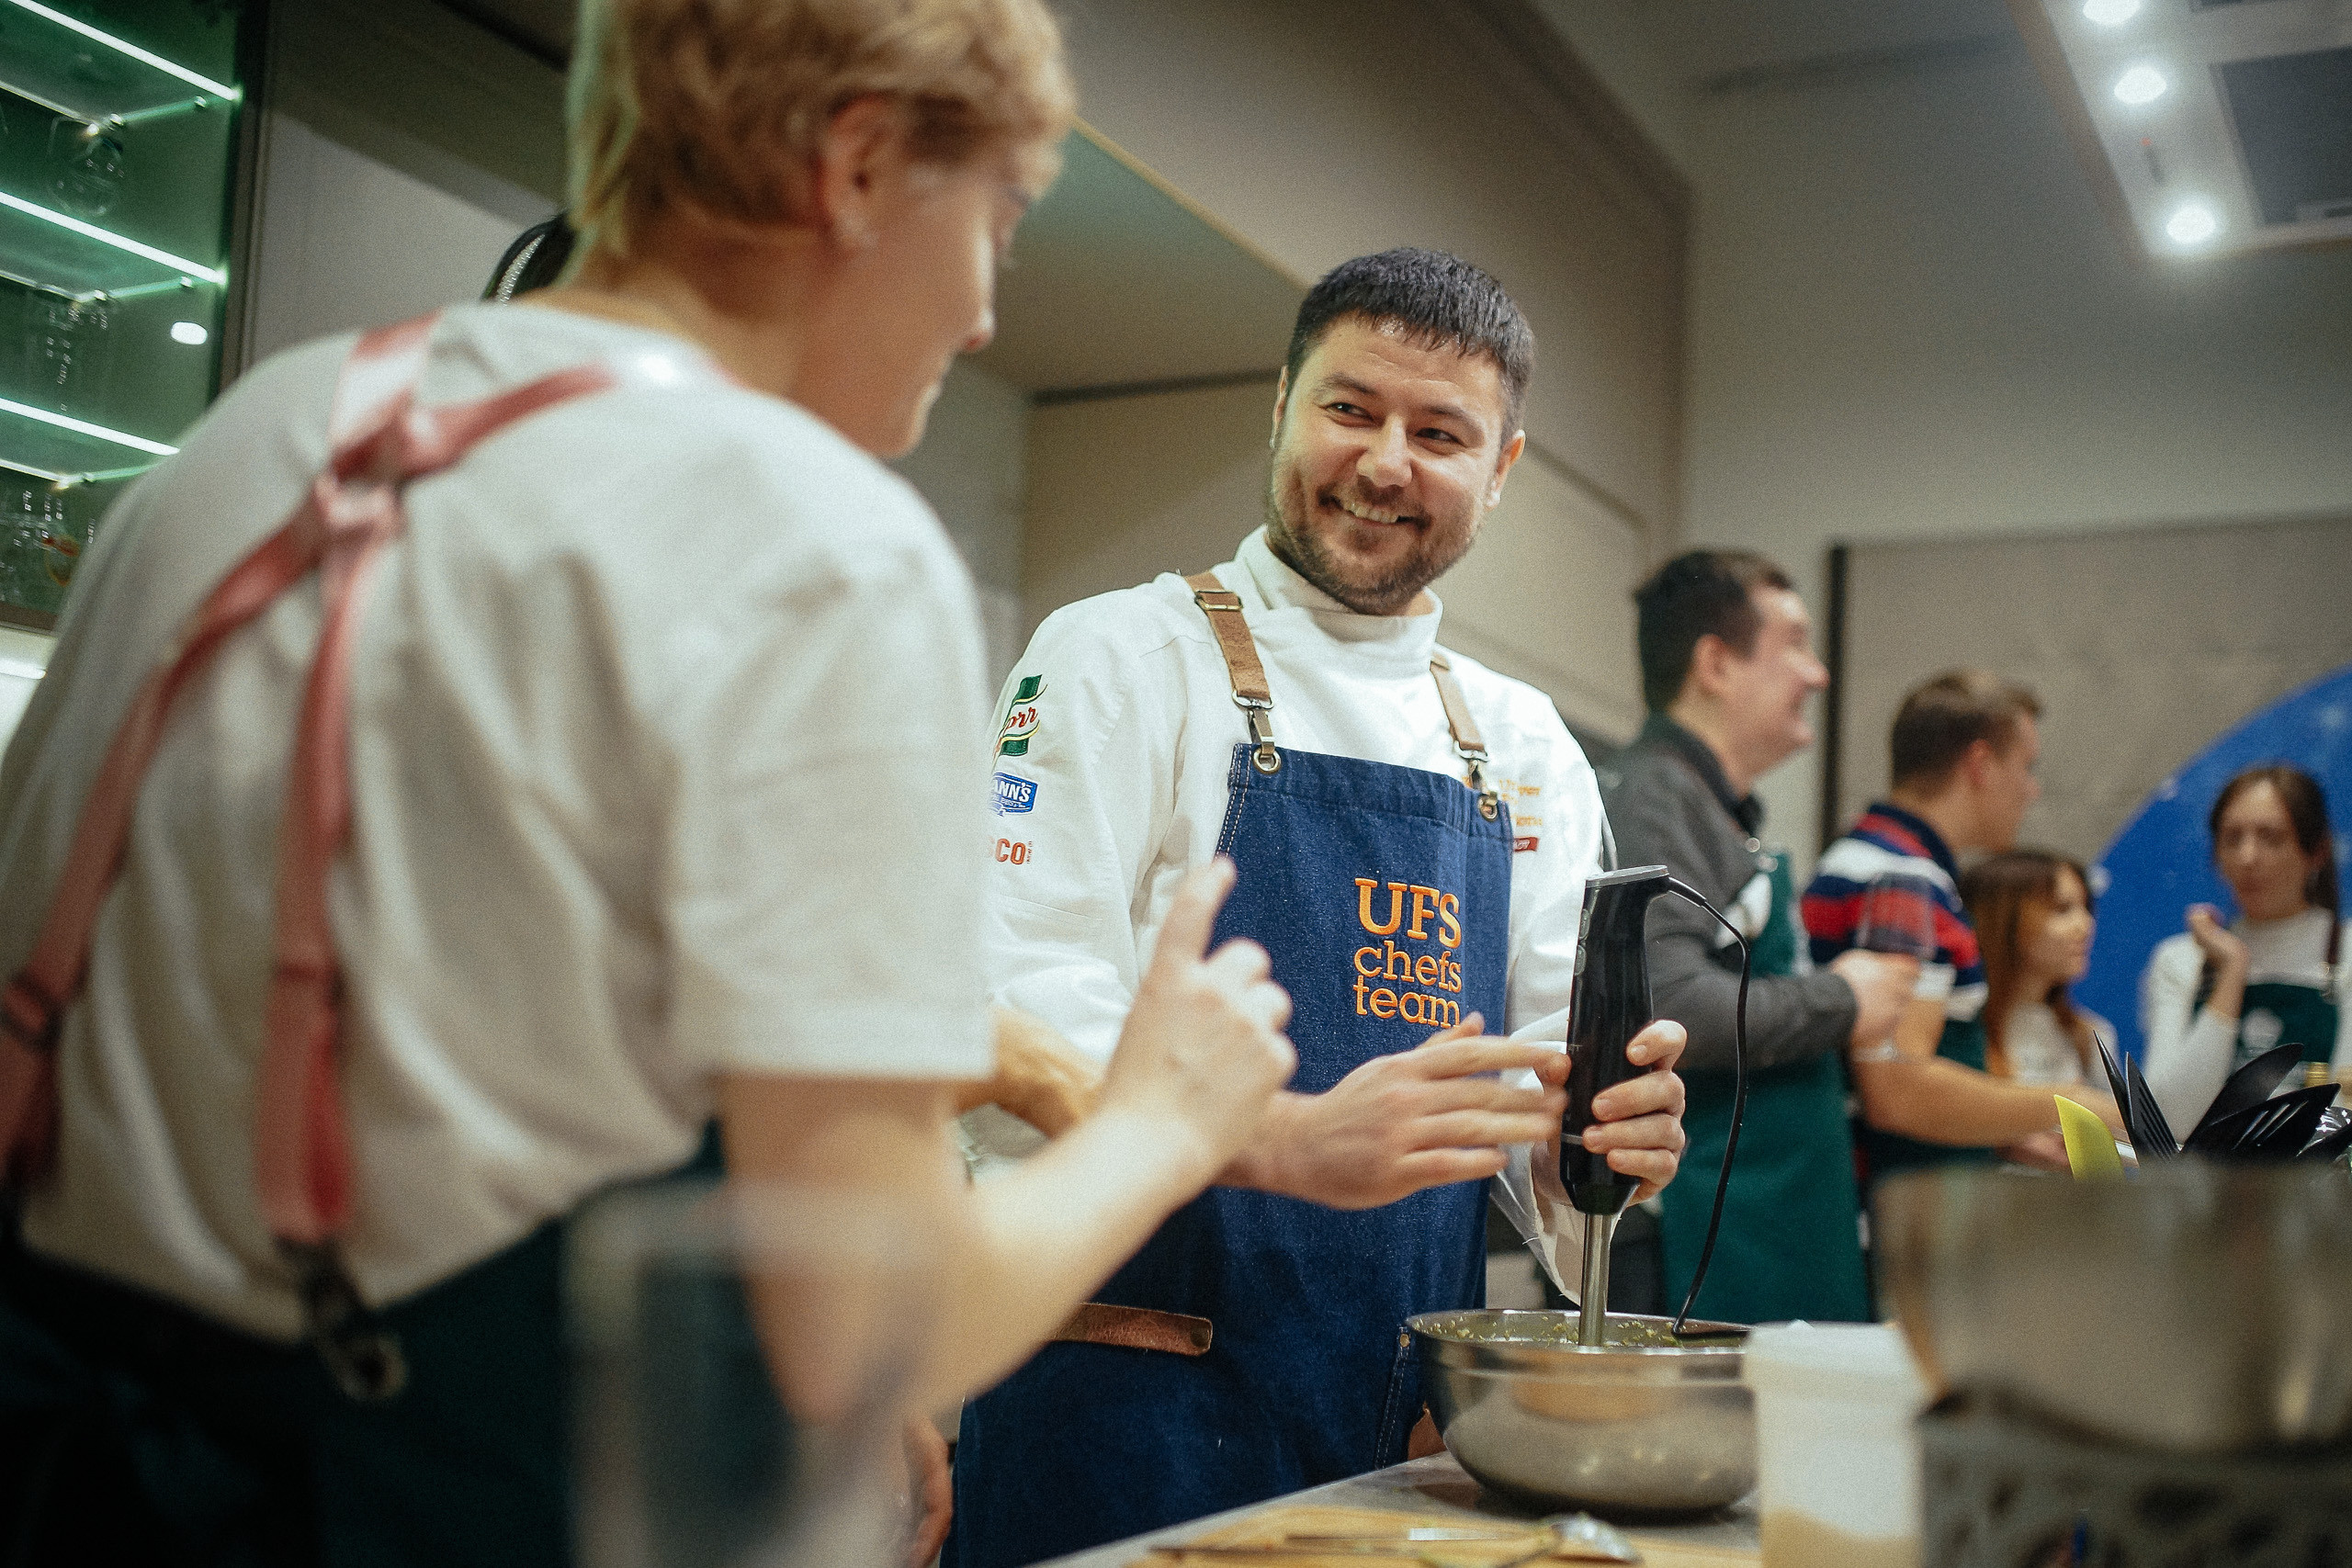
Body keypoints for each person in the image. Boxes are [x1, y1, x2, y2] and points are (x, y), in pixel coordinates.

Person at [0, 4, 1300, 1564]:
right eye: (1001, 224)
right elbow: (881, 1319)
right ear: (863, 166)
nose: (977, 316)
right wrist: (1163, 1117)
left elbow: (445, 1003)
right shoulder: (816, 539)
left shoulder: (258, 433)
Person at [945, 248, 1691, 1568]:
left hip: (1394, 1424)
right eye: (1349, 408)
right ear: (1278, 406)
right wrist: (1286, 1132)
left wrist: (1603, 1137)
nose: (1386, 461)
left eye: (1441, 432)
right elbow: (996, 1007)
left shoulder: (1522, 746)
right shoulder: (1115, 656)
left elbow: (1545, 1102)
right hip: (1117, 1395)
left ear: (1502, 468)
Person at [1602, 551, 1917, 1325]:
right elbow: (1671, 1002)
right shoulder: (1653, 797)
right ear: (1716, 663)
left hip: (1769, 1238)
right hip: (1709, 1249)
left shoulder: (1715, 811)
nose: (1818, 673)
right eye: (1797, 644)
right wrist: (1846, 998)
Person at [1804, 671, 2121, 1188]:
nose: (2032, 789)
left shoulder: (1864, 854)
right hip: (1901, 1209)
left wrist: (2002, 1129)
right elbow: (1897, 1092)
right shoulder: (1906, 879)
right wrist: (2072, 1103)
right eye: (2026, 766)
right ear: (1979, 765)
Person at [2141, 763, 2350, 1137]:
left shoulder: (2347, 953)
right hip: (2204, 1189)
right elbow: (2167, 1118)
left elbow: (2345, 1110)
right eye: (2232, 838)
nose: (2248, 857)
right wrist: (2233, 969)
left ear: (2316, 851)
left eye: (2271, 838)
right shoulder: (2180, 959)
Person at [1961, 850, 2109, 1090]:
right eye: (2062, 909)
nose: (2086, 925)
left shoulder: (2089, 1037)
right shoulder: (1957, 1034)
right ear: (2003, 920)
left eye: (2086, 908)